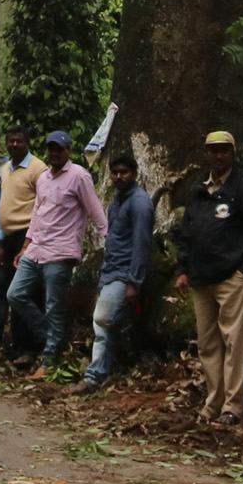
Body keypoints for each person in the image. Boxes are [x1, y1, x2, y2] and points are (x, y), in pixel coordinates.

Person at [175, 131, 243, 424]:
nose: (219, 156)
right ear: (206, 154)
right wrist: (182, 270)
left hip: (231, 278)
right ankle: (213, 403)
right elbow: (186, 234)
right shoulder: (199, 191)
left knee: (234, 342)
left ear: (232, 154)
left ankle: (233, 407)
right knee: (207, 345)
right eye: (213, 151)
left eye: (224, 151)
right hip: (201, 281)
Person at [7, 130, 103, 378]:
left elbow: (95, 210)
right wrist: (26, 245)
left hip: (61, 251)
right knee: (15, 294)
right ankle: (51, 337)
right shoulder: (44, 179)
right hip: (37, 247)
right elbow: (37, 214)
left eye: (59, 149)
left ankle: (48, 360)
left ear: (68, 151)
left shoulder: (79, 176)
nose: (54, 154)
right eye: (50, 149)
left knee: (53, 306)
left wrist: (108, 239)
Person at [67, 151, 153, 396]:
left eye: (124, 172)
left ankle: (93, 378)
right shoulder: (118, 201)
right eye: (115, 173)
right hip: (111, 271)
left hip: (124, 274)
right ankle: (107, 371)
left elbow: (141, 244)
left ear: (135, 174)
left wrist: (134, 283)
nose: (118, 176)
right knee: (109, 324)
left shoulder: (140, 202)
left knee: (102, 320)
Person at [0, 125, 37, 362]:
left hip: (24, 236)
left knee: (18, 293)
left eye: (19, 141)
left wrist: (26, 243)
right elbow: (1, 208)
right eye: (11, 141)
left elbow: (40, 206)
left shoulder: (33, 168)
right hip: (0, 238)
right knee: (1, 293)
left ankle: (25, 347)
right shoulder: (0, 170)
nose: (15, 145)